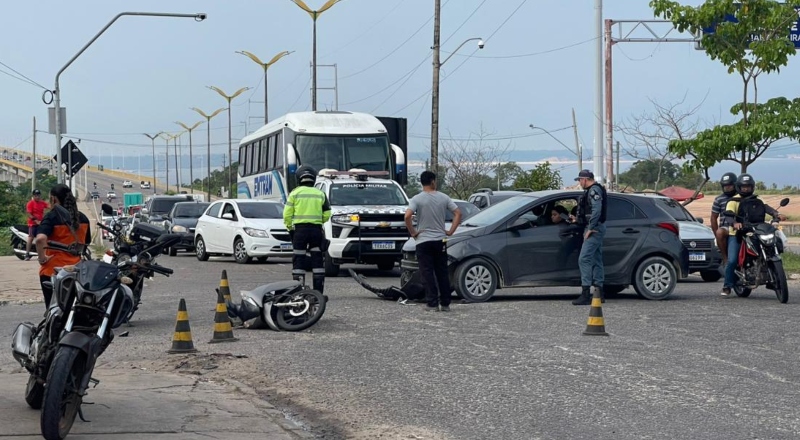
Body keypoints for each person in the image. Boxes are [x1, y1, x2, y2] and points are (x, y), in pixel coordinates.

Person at [404, 171, 461, 312]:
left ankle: (432, 303)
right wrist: (451, 230)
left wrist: (413, 232)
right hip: (439, 240)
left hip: (423, 241)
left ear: (422, 182)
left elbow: (407, 216)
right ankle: (446, 303)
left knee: (427, 273)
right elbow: (458, 213)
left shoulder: (417, 199)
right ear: (433, 181)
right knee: (442, 272)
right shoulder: (444, 197)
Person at [720, 173, 785, 296]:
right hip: (738, 234)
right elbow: (728, 214)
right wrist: (734, 223)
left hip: (757, 230)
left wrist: (777, 214)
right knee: (732, 260)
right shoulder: (733, 201)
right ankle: (727, 285)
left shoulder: (758, 199)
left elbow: (767, 208)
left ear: (752, 187)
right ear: (739, 187)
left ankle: (773, 275)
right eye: (744, 187)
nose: (746, 189)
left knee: (771, 247)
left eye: (749, 187)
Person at [34, 184, 91, 308]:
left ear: (54, 199)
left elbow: (40, 239)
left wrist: (42, 258)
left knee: (53, 309)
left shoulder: (51, 217)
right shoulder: (83, 218)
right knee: (73, 308)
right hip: (77, 271)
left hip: (53, 272)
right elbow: (86, 243)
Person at [283, 165, 331, 294]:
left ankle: (298, 290)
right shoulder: (320, 193)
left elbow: (287, 214)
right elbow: (327, 213)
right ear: (314, 179)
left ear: (299, 179)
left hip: (300, 231)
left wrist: (290, 229)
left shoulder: (295, 193)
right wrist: (319, 221)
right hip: (316, 231)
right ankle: (318, 292)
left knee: (299, 258)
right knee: (317, 259)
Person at [572, 169, 607, 305]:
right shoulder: (594, 190)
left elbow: (597, 210)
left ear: (585, 179)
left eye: (580, 180)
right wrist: (577, 219)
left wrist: (590, 228)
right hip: (595, 227)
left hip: (595, 229)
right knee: (596, 259)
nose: (579, 182)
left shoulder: (594, 191)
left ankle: (586, 293)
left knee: (584, 258)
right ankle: (599, 292)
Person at [710, 172, 737, 274]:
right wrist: (716, 233)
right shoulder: (719, 199)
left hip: (741, 226)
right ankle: (725, 258)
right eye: (725, 186)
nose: (727, 188)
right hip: (726, 227)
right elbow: (713, 217)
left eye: (729, 186)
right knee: (720, 233)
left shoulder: (740, 197)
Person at [24, 189, 49, 260]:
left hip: (40, 223)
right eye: (36, 195)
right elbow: (28, 213)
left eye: (38, 195)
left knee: (41, 238)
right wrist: (35, 220)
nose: (37, 197)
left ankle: (41, 254)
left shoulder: (42, 203)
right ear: (33, 196)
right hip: (32, 224)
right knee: (31, 238)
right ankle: (27, 254)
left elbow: (49, 206)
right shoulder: (30, 203)